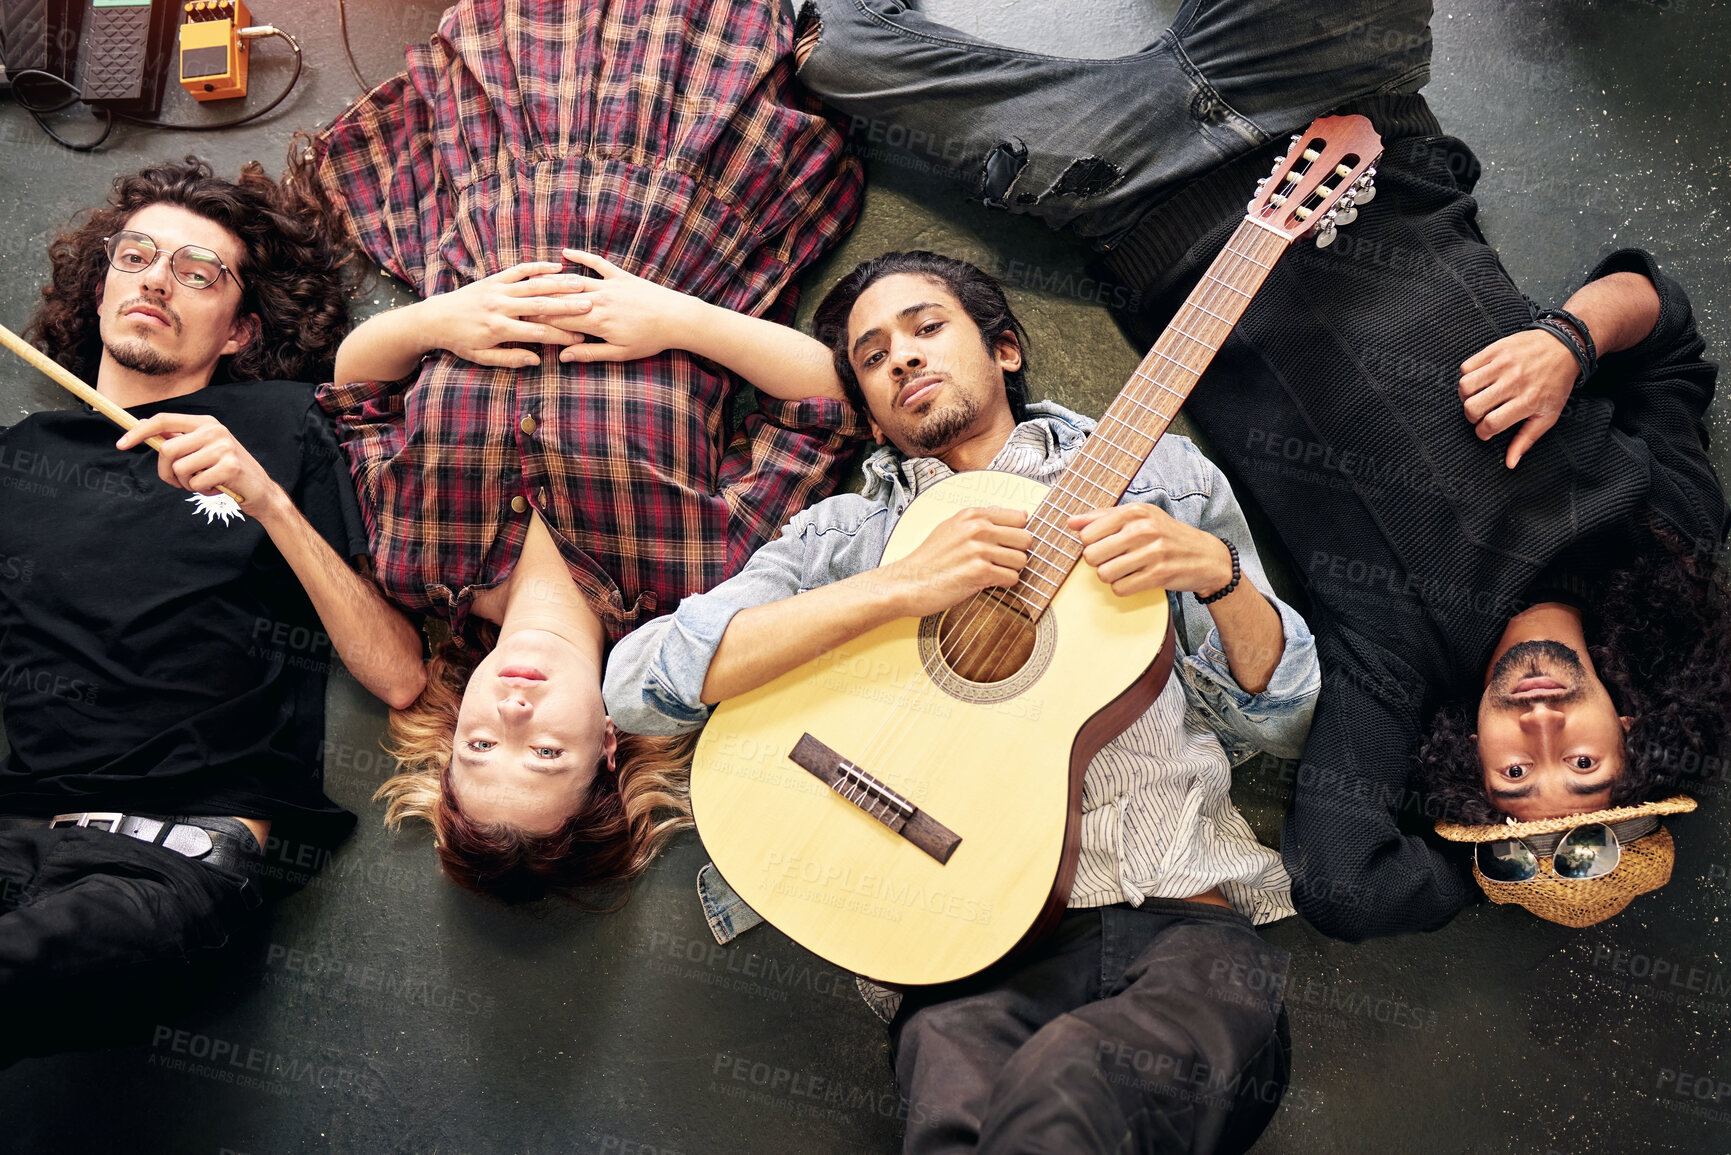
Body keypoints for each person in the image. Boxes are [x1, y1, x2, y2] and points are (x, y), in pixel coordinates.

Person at [781, 0, 1731, 939]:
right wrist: (1567, 339)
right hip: (1331, 109)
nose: (1539, 732)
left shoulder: (1397, 667)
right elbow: (1671, 331)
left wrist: (1485, 856)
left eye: (1516, 778)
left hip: (1138, 193)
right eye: (1587, 768)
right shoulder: (1663, 531)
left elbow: (1343, 884)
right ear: (1635, 731)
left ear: (1472, 763)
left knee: (829, 52)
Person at [604, 251, 1320, 1154]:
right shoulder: (842, 537)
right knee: (958, 1117)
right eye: (871, 355)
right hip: (954, 950)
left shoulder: (1157, 479)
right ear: (866, 408)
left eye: (926, 327)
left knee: (1072, 1079)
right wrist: (896, 587)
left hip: (1179, 916)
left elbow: (1288, 722)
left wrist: (1218, 578)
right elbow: (635, 687)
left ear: (1006, 351)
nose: (901, 356)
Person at [306, 0, 866, 902]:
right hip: (684, 177)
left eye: (482, 745)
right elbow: (824, 407)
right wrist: (674, 318)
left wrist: (440, 319)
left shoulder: (414, 565)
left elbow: (357, 393)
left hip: (502, 159)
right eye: (547, 752)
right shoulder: (699, 578)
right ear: (609, 745)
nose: (513, 712)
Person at [0, 158, 426, 1064]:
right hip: (19, 833)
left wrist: (265, 498)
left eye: (198, 272)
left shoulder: (278, 426)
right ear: (105, 280)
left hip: (167, 866)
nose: (156, 277)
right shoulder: (20, 457)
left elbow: (397, 672)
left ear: (239, 331)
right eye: (138, 255)